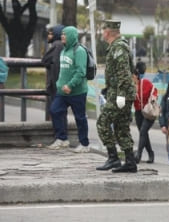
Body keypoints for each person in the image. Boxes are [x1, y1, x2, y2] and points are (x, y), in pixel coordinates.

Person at [96, 20, 138, 173]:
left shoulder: (119, 47)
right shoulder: (117, 46)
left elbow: (124, 73)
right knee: (121, 127)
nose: (102, 33)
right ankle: (130, 162)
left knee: (102, 122)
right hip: (119, 93)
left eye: (103, 30)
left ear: (108, 32)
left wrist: (121, 95)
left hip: (121, 94)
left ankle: (113, 157)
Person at [47, 26, 90, 152]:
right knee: (55, 110)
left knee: (80, 118)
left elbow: (80, 72)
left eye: (65, 34)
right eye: (62, 34)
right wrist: (60, 84)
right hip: (62, 92)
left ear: (71, 35)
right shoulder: (64, 50)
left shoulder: (79, 51)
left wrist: (70, 85)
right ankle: (62, 139)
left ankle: (84, 144)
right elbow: (63, 70)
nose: (62, 36)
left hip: (77, 92)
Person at [132, 61, 157, 164]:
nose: (131, 78)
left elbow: (154, 91)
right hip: (138, 112)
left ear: (136, 76)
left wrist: (153, 99)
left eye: (132, 76)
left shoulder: (145, 83)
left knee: (143, 131)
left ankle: (139, 154)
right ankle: (151, 153)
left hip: (149, 111)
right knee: (143, 133)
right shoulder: (130, 88)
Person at [41, 24, 65, 117]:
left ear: (56, 34)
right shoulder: (62, 45)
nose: (48, 36)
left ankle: (59, 131)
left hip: (56, 84)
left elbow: (45, 60)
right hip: (61, 83)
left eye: (51, 34)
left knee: (56, 111)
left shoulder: (57, 45)